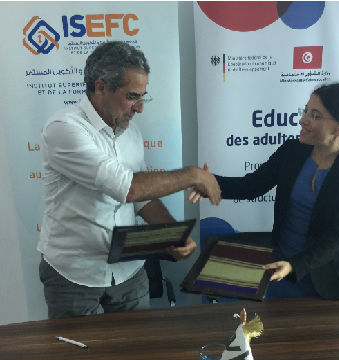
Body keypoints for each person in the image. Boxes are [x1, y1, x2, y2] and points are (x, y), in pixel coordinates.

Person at [38, 41, 221, 319]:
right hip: (74, 273)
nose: (140, 108)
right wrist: (195, 175)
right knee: (76, 348)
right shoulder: (64, 128)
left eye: (143, 97)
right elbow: (129, 188)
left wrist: (173, 235)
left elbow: (142, 199)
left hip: (128, 270)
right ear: (101, 87)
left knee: (138, 344)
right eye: (132, 96)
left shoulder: (131, 132)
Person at [189, 82, 339, 300]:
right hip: (280, 272)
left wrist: (295, 265)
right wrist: (208, 182)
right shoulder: (292, 151)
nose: (302, 120)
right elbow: (252, 185)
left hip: (329, 283)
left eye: (314, 115)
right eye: (305, 111)